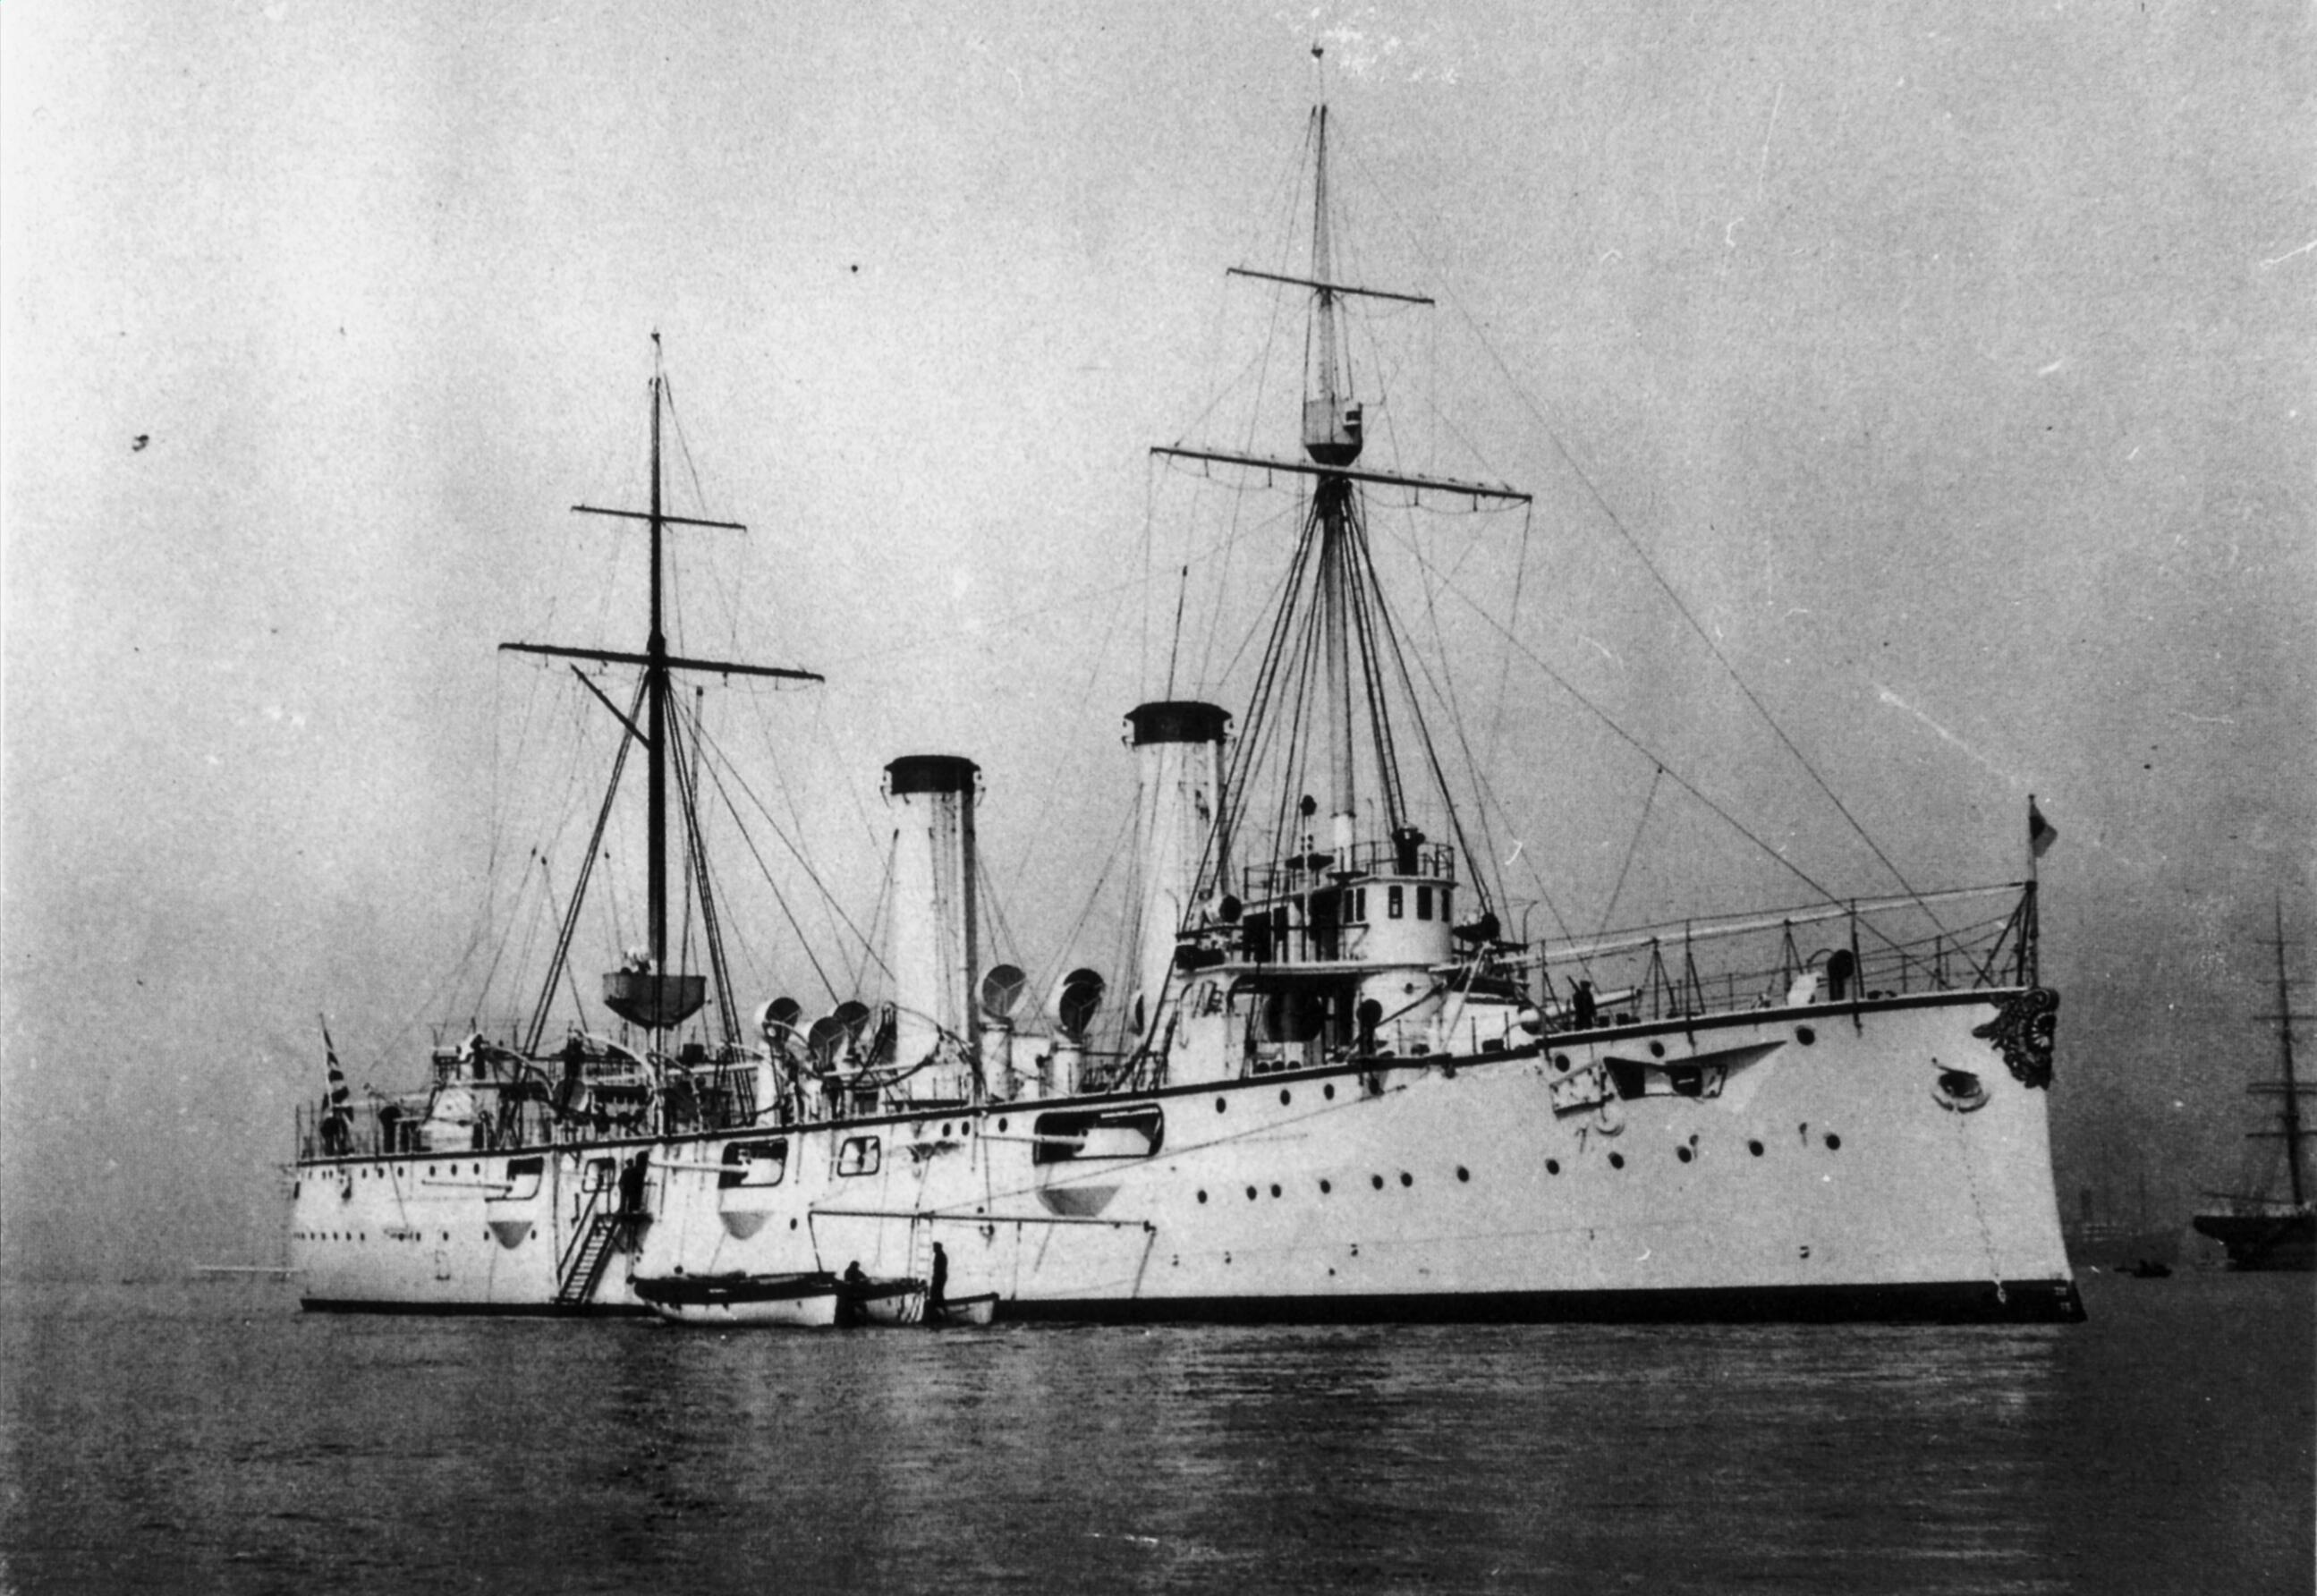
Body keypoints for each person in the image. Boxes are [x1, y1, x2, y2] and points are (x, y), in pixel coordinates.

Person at [928, 1242, 949, 1319]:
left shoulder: (940, 1256)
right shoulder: (939, 1255)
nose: (933, 1249)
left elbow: (939, 1269)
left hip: (939, 1277)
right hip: (939, 1277)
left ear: (938, 1248)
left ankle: (942, 1313)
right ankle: (941, 1312)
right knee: (936, 1294)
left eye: (934, 1247)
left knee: (936, 1294)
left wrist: (936, 1277)